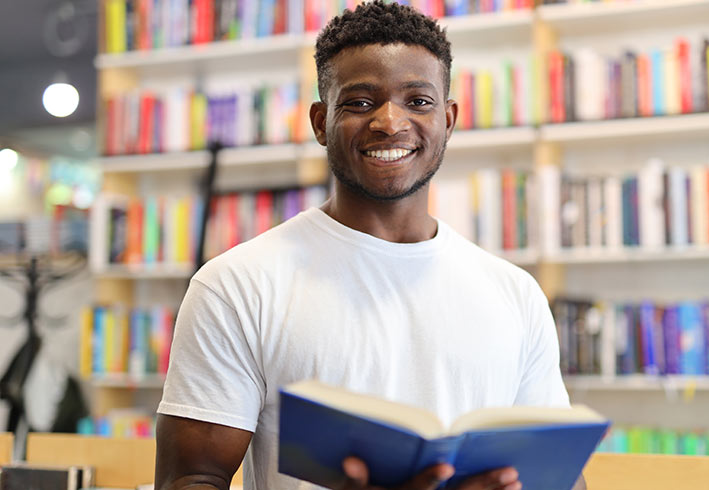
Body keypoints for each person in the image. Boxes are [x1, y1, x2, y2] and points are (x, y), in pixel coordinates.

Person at [155, 2, 584, 490]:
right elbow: (192, 478)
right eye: (359, 102)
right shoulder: (236, 285)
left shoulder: (516, 294)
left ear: (448, 119)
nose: (389, 121)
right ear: (320, 122)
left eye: (418, 101)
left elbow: (561, 479)